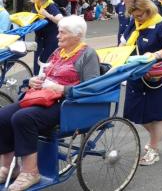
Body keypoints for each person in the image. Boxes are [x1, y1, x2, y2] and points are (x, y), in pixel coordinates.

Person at [0, 16, 100, 190]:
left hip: (65, 104)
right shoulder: (58, 52)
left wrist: (62, 89)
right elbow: (44, 74)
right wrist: (33, 81)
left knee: (23, 118)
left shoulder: (88, 54)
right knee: (2, 116)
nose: (58, 36)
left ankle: (31, 172)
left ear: (77, 35)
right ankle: (8, 167)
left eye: (62, 33)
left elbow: (92, 88)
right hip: (41, 96)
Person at [120, 0, 162, 166]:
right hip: (136, 75)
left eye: (140, 15)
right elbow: (123, 44)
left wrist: (153, 56)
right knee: (136, 112)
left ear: (148, 10)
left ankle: (154, 149)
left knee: (156, 114)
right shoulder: (135, 23)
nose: (137, 18)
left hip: (157, 77)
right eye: (134, 15)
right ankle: (158, 135)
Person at [31, 0, 64, 76]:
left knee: (46, 60)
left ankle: (46, 81)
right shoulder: (35, 4)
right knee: (37, 59)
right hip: (40, 37)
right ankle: (36, 80)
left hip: (51, 38)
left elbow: (60, 20)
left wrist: (48, 15)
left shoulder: (50, 5)